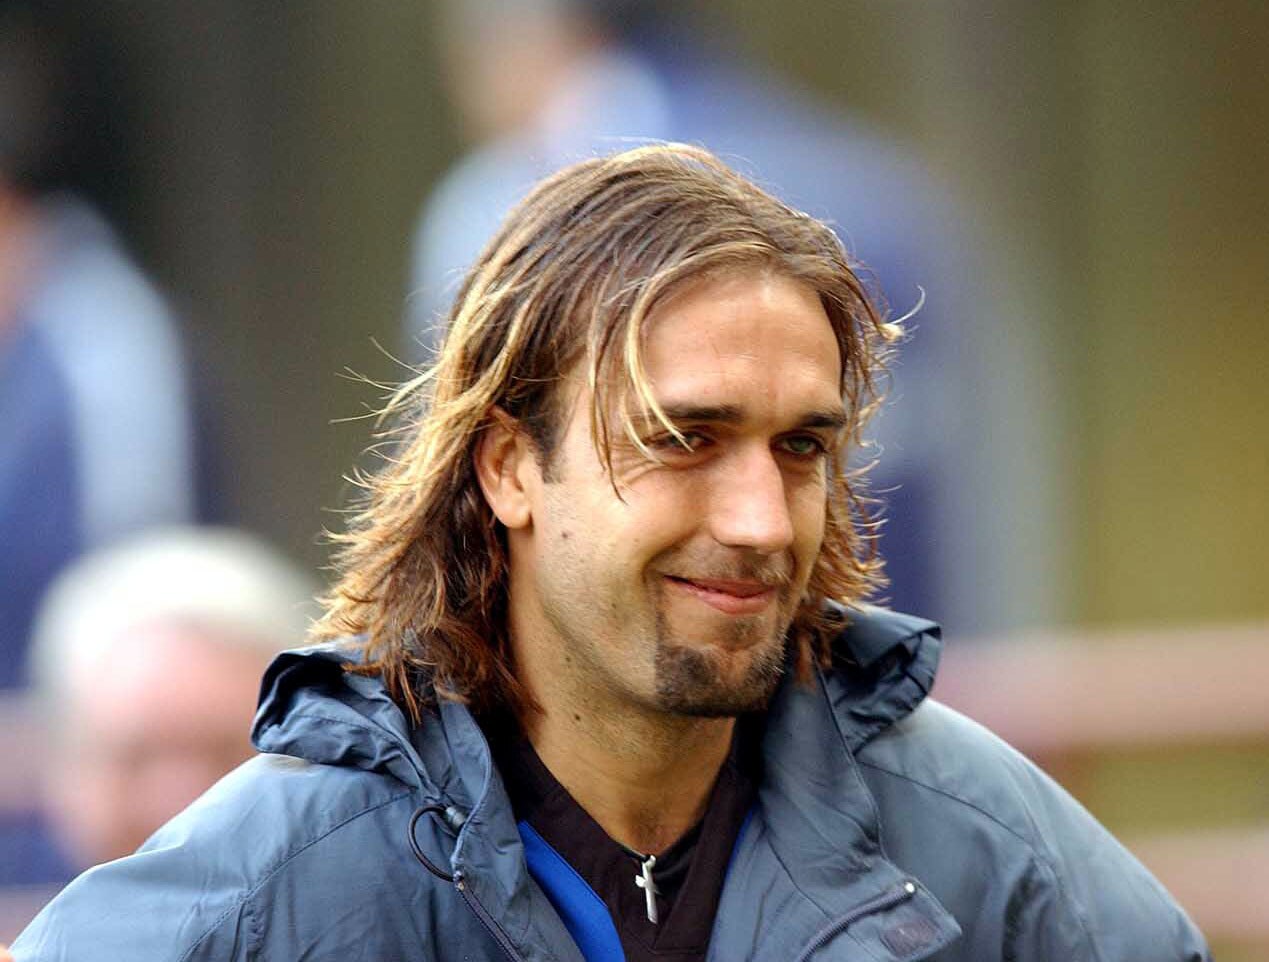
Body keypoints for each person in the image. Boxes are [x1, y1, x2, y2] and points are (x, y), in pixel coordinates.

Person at [12, 146, 1208, 960]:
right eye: (683, 438)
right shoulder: (273, 889)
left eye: (800, 446)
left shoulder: (980, 845)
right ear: (508, 466)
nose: (760, 517)